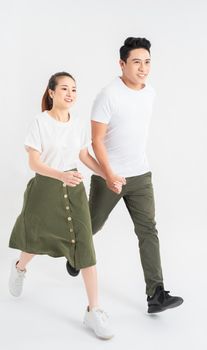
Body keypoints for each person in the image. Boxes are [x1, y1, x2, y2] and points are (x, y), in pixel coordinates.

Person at [66, 38, 184, 314]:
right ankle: (73, 255)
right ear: (122, 64)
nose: (143, 68)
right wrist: (109, 174)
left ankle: (156, 294)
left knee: (148, 231)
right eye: (136, 62)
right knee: (91, 226)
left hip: (141, 175)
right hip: (110, 176)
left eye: (147, 62)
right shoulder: (108, 95)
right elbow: (96, 141)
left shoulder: (150, 92)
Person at [8, 72, 116, 339]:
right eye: (65, 88)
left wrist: (107, 174)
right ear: (52, 92)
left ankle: (94, 310)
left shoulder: (78, 124)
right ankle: (20, 267)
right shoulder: (39, 122)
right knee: (35, 239)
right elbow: (34, 163)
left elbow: (83, 156)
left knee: (85, 248)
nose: (70, 93)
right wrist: (60, 176)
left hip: (74, 190)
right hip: (45, 189)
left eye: (74, 90)